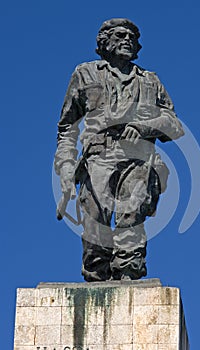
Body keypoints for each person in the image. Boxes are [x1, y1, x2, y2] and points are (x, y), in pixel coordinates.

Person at [54, 18, 184, 282]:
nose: (127, 40)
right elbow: (67, 127)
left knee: (132, 219)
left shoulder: (149, 80)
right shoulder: (85, 73)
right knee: (94, 224)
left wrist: (146, 127)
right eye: (120, 35)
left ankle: (128, 276)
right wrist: (67, 166)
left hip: (138, 157)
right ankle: (97, 278)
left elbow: (175, 124)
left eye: (132, 37)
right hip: (98, 157)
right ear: (105, 42)